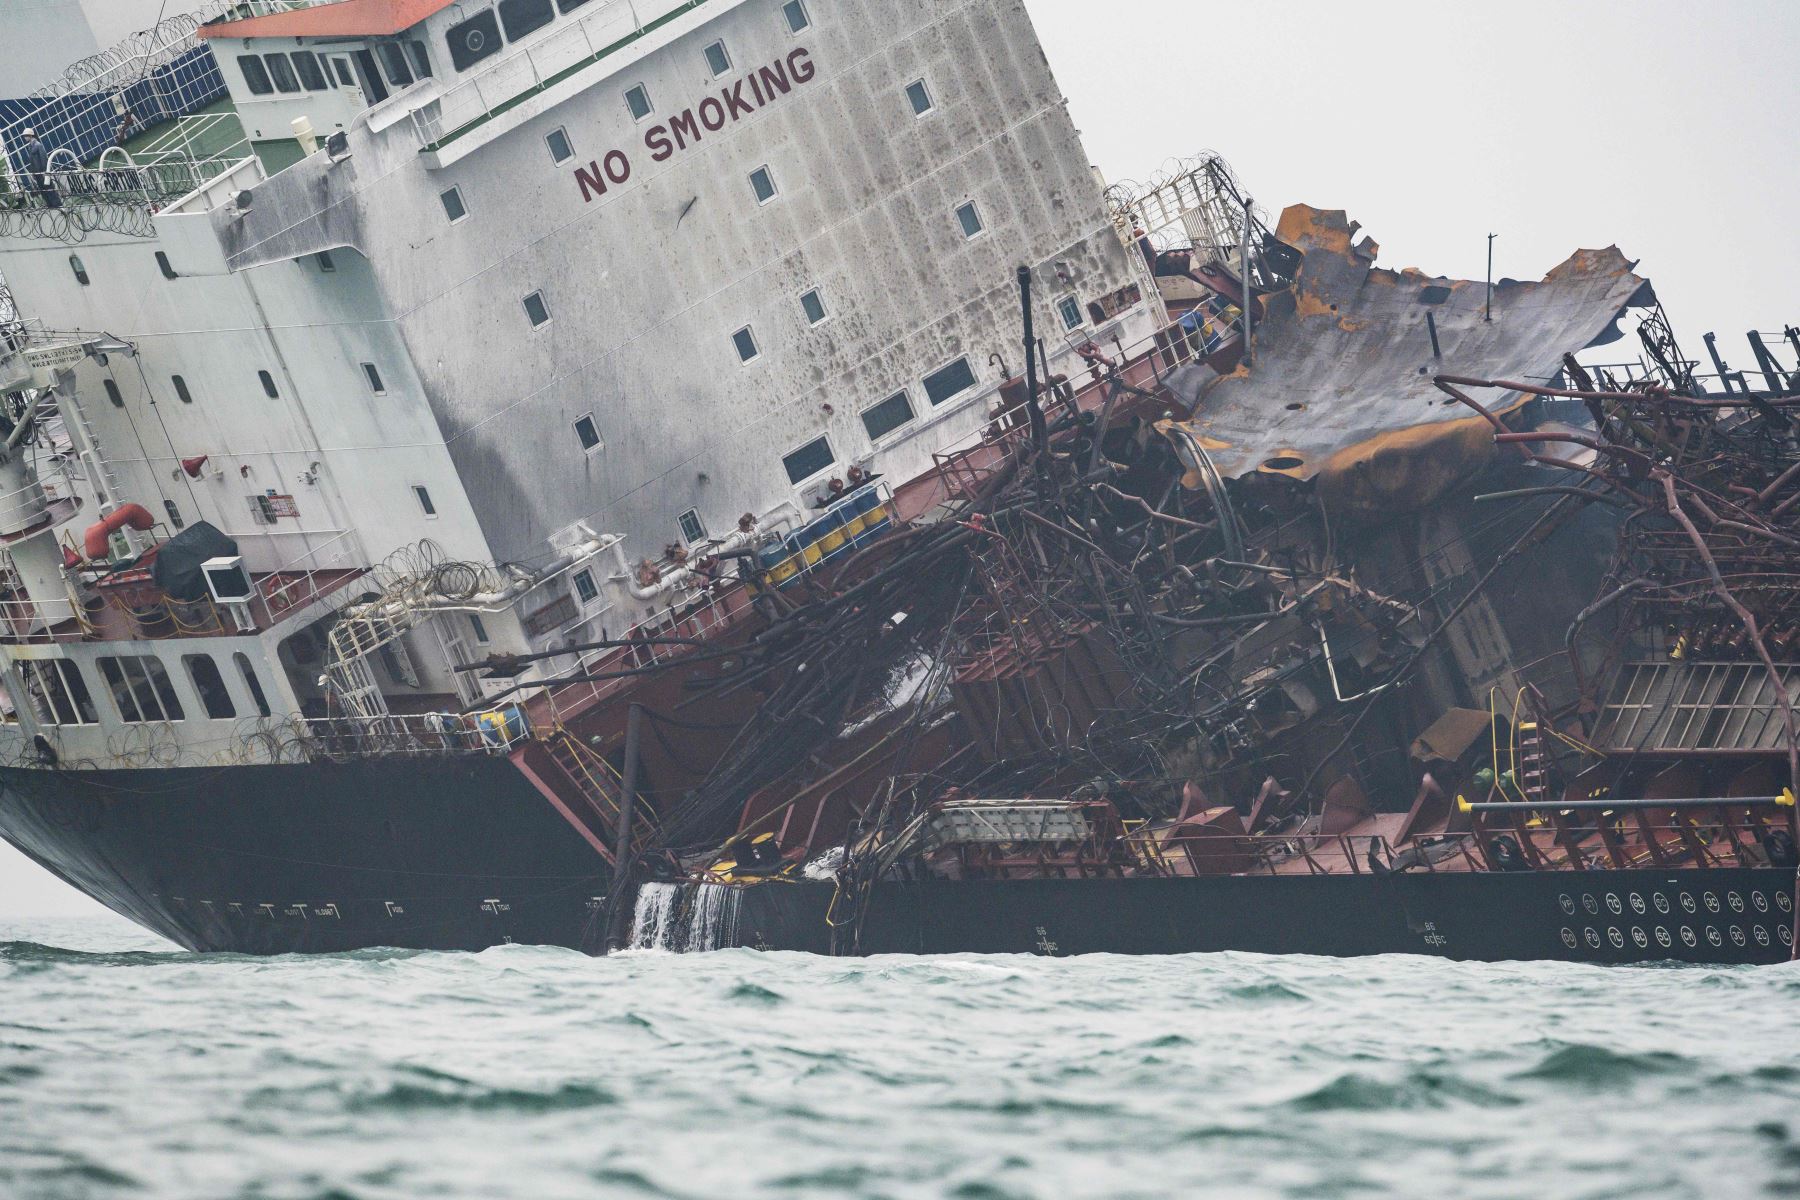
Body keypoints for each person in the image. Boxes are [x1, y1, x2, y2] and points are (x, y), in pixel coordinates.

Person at [18, 128, 61, 208]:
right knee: (42, 189)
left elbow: (43, 158)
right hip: (37, 172)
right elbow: (32, 161)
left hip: (41, 171)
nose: (25, 138)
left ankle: (56, 203)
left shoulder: (38, 145)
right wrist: (33, 173)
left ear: (30, 135)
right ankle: (49, 204)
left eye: (26, 136)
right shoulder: (30, 146)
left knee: (48, 187)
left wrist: (45, 171)